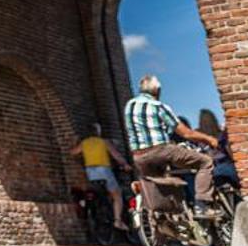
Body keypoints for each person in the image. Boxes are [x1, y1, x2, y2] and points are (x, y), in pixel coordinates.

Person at [123, 75, 218, 219]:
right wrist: (209, 139)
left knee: (159, 182)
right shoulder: (158, 106)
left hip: (139, 156)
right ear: (157, 89)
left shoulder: (129, 106)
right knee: (205, 162)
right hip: (161, 150)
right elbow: (186, 133)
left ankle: (158, 218)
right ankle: (202, 206)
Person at [74, 124, 126, 229]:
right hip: (104, 171)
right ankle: (118, 221)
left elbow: (73, 152)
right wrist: (125, 164)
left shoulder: (84, 143)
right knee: (117, 196)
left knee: (98, 192)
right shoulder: (104, 142)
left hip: (90, 172)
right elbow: (116, 155)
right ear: (98, 132)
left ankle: (99, 208)